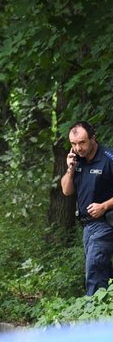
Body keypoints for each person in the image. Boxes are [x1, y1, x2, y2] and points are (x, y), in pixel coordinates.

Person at [61, 121, 113, 296]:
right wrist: (70, 169)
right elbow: (66, 191)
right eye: (73, 144)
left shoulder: (108, 158)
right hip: (87, 226)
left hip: (106, 223)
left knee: (94, 271)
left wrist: (104, 205)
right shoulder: (77, 160)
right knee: (102, 271)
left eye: (82, 142)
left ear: (93, 139)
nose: (78, 148)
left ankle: (93, 318)